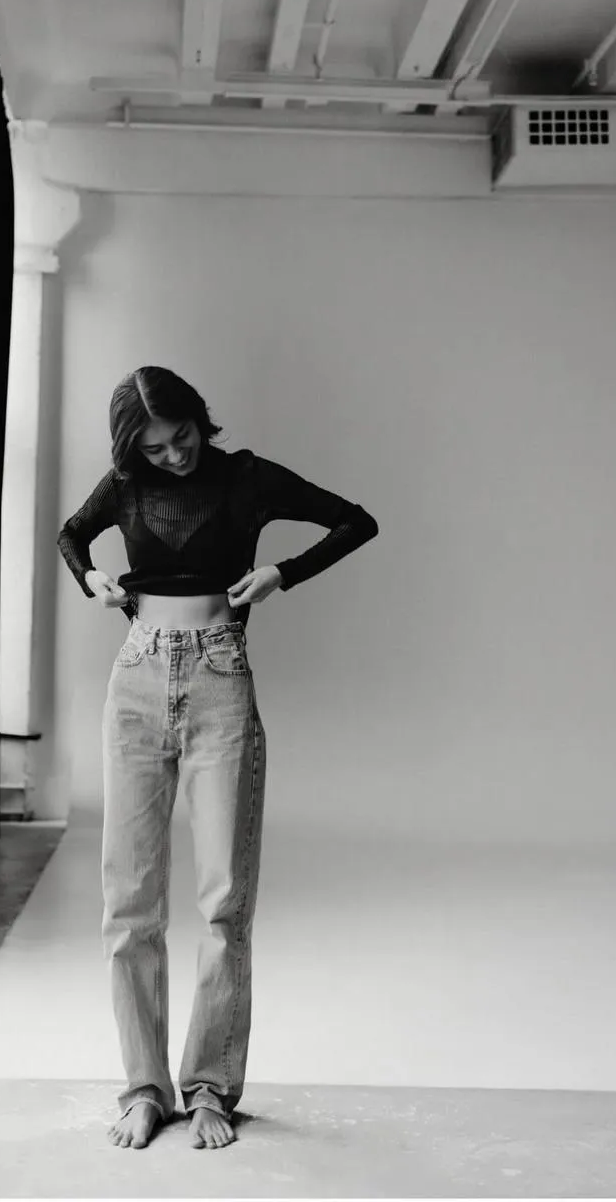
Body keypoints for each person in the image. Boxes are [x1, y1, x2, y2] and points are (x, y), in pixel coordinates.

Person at [57, 366, 378, 1151]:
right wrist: (94, 578)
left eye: (182, 437)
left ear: (201, 419)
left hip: (218, 676)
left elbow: (354, 521)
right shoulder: (125, 483)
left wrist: (280, 574)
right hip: (135, 676)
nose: (172, 456)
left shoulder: (248, 479)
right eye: (153, 446)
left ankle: (209, 1090)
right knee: (127, 903)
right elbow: (72, 534)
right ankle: (143, 1088)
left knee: (222, 905)